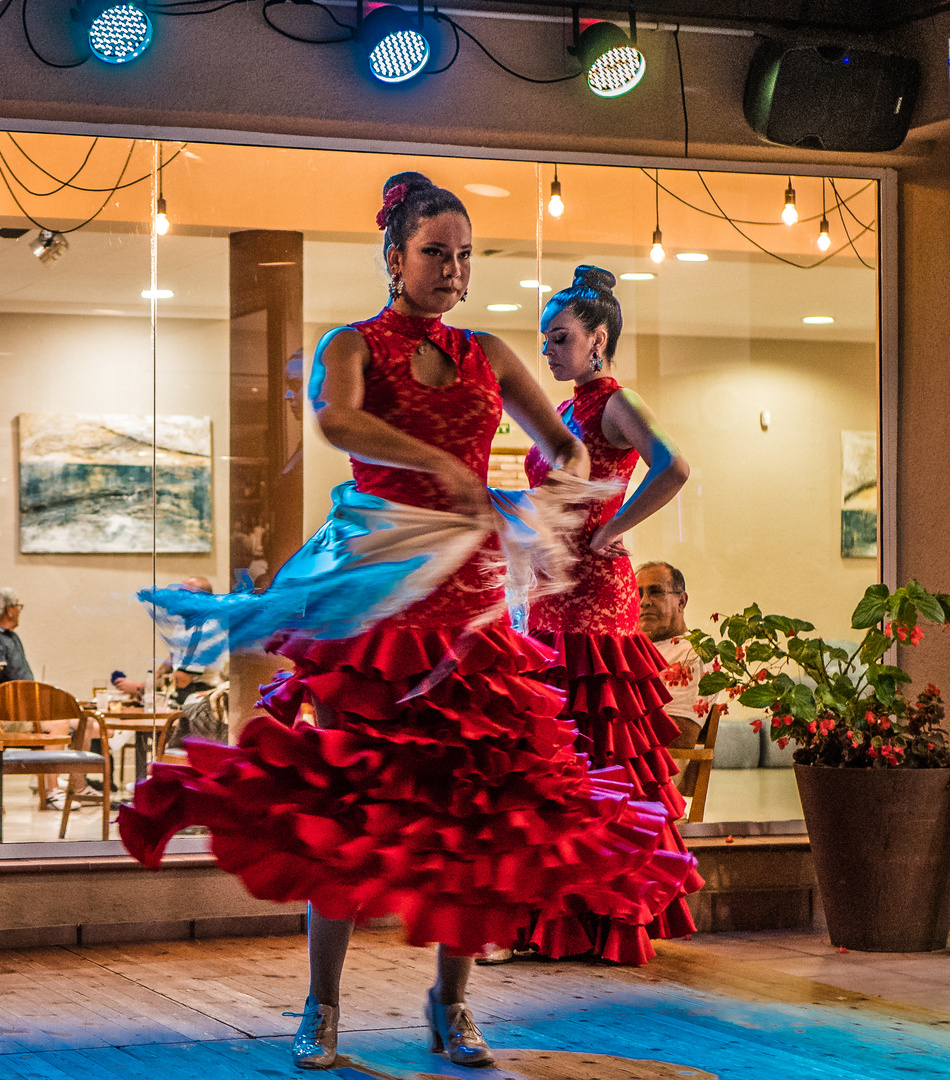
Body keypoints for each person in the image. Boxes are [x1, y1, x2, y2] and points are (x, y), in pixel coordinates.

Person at [118, 175, 697, 1070]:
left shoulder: (491, 353)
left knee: (480, 813)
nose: (453, 271)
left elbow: (569, 447)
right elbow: (337, 419)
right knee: (350, 807)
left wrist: (552, 504)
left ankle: (454, 1005)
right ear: (395, 257)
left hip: (469, 608)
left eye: (464, 256)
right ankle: (323, 1007)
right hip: (384, 598)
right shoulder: (353, 345)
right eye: (436, 253)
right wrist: (442, 465)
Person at [521, 265, 701, 963]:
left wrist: (609, 528)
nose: (548, 350)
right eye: (544, 339)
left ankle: (607, 915)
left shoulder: (612, 401)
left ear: (597, 339)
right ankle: (554, 913)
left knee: (601, 745)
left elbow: (676, 467)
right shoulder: (567, 410)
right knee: (558, 746)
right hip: (552, 589)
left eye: (559, 337)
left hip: (595, 594)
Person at [637, 561, 717, 796]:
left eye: (655, 591)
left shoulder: (692, 654)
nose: (644, 602)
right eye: (638, 593)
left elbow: (680, 738)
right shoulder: (635, 648)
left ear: (681, 601)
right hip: (621, 769)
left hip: (651, 782)